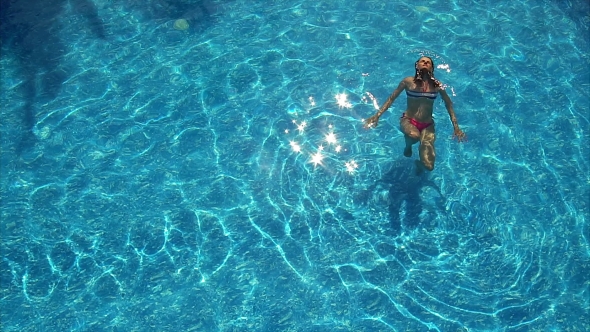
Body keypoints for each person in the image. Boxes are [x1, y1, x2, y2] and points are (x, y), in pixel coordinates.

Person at [364, 56, 466, 173]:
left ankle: (419, 164)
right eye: (423, 61)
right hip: (408, 120)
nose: (425, 63)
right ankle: (408, 146)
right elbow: (392, 98)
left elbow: (448, 104)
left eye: (428, 62)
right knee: (414, 135)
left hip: (428, 124)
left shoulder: (437, 86)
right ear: (417, 65)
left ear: (432, 68)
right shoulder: (408, 82)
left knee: (429, 166)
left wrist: (456, 127)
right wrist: (377, 115)